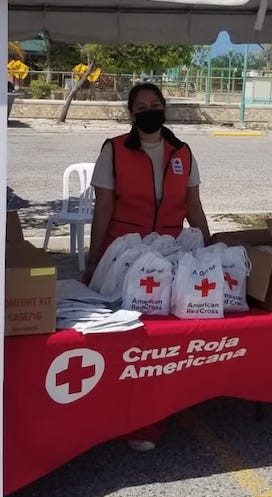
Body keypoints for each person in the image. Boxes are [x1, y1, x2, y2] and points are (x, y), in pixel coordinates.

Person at [82, 83, 211, 451]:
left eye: (156, 104)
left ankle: (155, 414)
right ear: (131, 112)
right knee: (131, 340)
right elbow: (103, 207)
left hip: (169, 258)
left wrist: (210, 247)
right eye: (141, 106)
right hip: (125, 257)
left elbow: (194, 207)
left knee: (164, 341)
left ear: (165, 108)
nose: (149, 110)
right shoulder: (114, 149)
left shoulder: (183, 153)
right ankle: (130, 419)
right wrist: (94, 262)